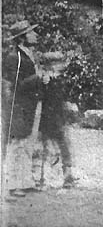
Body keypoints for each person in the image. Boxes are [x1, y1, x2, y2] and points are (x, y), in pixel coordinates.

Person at [2, 21, 75, 197]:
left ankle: (25, 181)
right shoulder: (15, 57)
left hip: (32, 104)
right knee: (18, 144)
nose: (36, 35)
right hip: (20, 106)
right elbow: (16, 85)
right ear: (23, 38)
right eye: (31, 33)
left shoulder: (28, 55)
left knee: (27, 143)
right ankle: (14, 185)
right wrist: (39, 78)